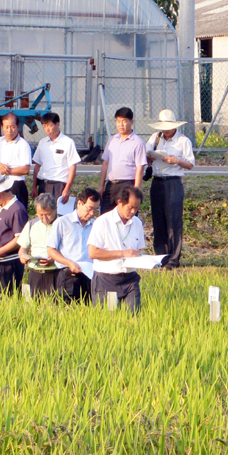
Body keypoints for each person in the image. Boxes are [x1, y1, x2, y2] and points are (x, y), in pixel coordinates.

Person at [146, 108, 195, 269]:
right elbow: (147, 154)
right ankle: (161, 256)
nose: (165, 130)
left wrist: (176, 161)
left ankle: (174, 258)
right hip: (157, 180)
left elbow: (190, 164)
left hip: (173, 181)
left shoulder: (183, 141)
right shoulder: (155, 137)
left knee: (173, 220)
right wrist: (151, 157)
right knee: (158, 220)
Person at [88, 185, 146, 313]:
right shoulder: (103, 222)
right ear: (120, 202)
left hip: (130, 279)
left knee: (134, 317)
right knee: (110, 319)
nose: (133, 211)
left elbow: (139, 251)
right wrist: (123, 253)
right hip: (107, 280)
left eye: (136, 208)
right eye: (130, 207)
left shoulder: (137, 223)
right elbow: (93, 253)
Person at [48, 187, 100, 303]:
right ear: (79, 203)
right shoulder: (62, 222)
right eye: (89, 209)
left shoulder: (96, 225)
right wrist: (69, 263)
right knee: (67, 308)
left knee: (89, 308)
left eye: (95, 210)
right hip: (68, 274)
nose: (92, 213)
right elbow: (51, 249)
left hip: (90, 275)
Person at [98, 107, 147, 215]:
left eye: (124, 121)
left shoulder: (138, 142)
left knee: (127, 216)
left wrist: (136, 190)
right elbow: (105, 163)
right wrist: (101, 186)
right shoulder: (112, 140)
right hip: (111, 185)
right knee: (106, 215)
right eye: (118, 121)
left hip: (127, 185)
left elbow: (140, 169)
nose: (121, 125)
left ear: (131, 122)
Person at [31, 112, 80, 204]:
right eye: (44, 126)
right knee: (43, 211)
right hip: (43, 185)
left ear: (57, 124)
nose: (47, 129)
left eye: (50, 125)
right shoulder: (42, 142)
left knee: (58, 211)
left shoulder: (68, 142)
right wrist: (34, 186)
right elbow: (37, 165)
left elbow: (72, 167)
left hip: (59, 186)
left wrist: (67, 188)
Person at [0, 113, 32, 208]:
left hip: (15, 184)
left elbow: (25, 169)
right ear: (2, 127)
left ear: (18, 126)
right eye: (6, 127)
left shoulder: (23, 144)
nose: (9, 130)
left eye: (12, 127)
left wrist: (6, 171)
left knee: (16, 212)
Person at [17, 193, 58, 297]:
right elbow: (23, 249)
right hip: (35, 272)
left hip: (56, 272)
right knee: (34, 303)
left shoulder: (63, 224)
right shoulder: (31, 224)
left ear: (56, 209)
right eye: (41, 215)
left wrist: (55, 259)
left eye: (48, 214)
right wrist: (23, 256)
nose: (44, 218)